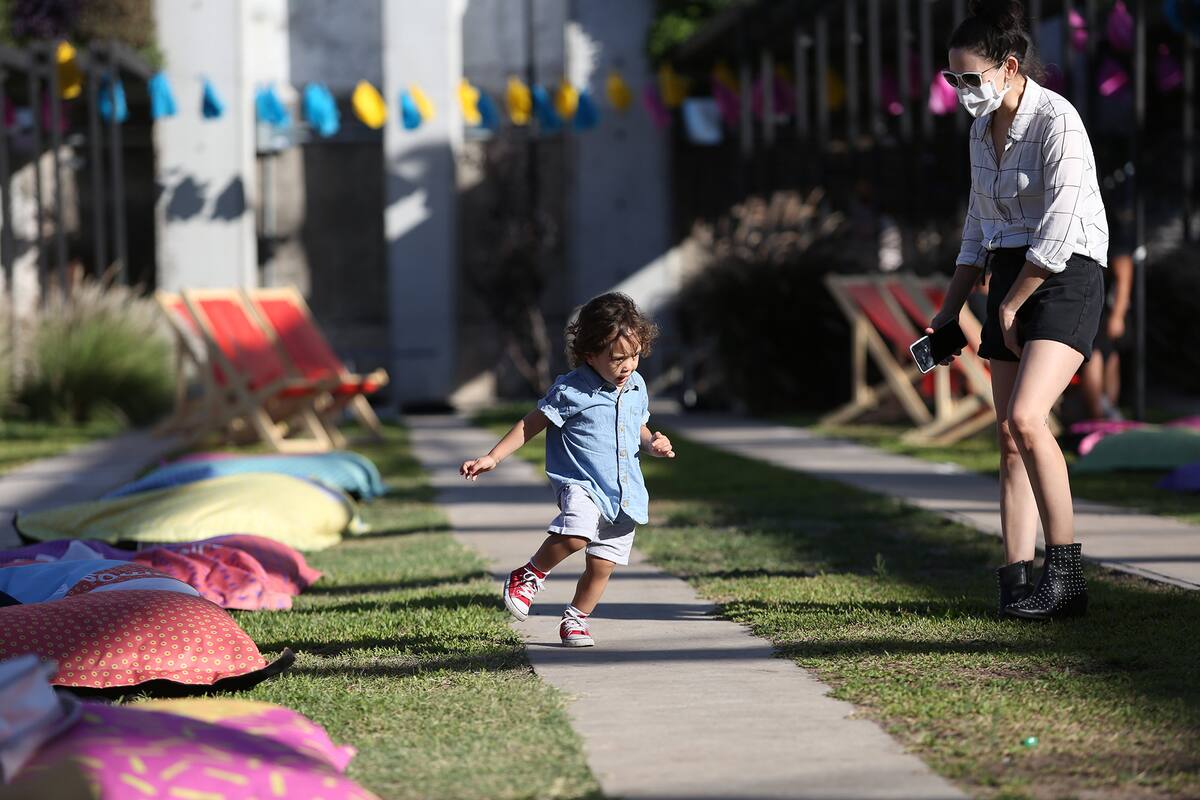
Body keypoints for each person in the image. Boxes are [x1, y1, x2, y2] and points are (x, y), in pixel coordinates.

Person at [930, 0, 1108, 620]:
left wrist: (1009, 303)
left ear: (1008, 67)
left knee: (1030, 419)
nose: (961, 91)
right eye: (952, 80)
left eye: (970, 79)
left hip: (1065, 277)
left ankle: (1067, 580)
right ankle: (1016, 580)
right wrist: (949, 313)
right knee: (1006, 437)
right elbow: (977, 230)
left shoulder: (1059, 120)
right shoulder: (982, 133)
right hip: (1009, 274)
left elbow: (1059, 233)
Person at [460, 292, 676, 647]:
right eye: (617, 359)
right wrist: (493, 457)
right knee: (577, 533)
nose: (628, 366)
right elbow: (531, 424)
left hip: (623, 490)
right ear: (589, 354)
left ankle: (576, 619)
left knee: (602, 566)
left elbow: (637, 426)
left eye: (635, 355)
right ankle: (528, 575)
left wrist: (651, 442)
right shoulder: (572, 389)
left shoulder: (636, 386)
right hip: (581, 482)